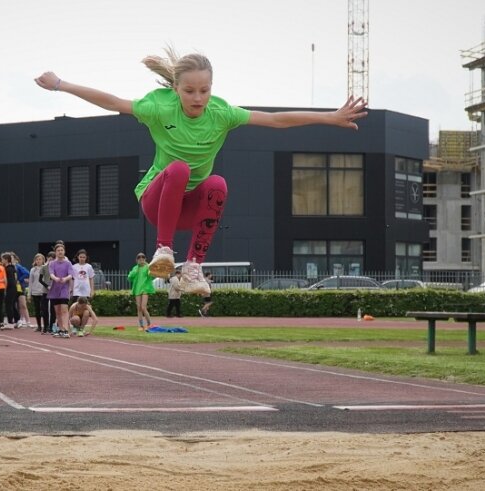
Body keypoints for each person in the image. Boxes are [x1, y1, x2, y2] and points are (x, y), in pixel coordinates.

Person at [35, 48, 366, 296]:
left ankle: (193, 266)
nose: (198, 98)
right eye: (189, 91)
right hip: (158, 201)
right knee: (178, 168)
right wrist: (60, 84)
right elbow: (112, 101)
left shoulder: (222, 113)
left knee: (217, 182)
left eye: (204, 91)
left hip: (191, 209)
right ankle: (163, 251)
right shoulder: (158, 107)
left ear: (212, 87)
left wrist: (330, 117)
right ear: (176, 88)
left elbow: (276, 120)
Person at [48, 243, 73, 338]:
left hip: (64, 289)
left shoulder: (68, 263)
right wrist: (56, 279)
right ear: (55, 252)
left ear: (64, 251)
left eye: (62, 250)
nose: (60, 252)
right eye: (58, 250)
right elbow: (51, 274)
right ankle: (61, 329)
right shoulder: (52, 263)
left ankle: (66, 330)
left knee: (64, 309)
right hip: (55, 289)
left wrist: (65, 279)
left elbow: (71, 274)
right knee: (57, 311)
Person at [128, 253, 155, 330]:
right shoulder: (135, 268)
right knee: (139, 308)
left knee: (143, 307)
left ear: (145, 259)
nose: (141, 259)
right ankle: (141, 325)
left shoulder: (147, 267)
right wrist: (135, 270)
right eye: (139, 258)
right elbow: (130, 277)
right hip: (137, 289)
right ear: (137, 260)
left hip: (145, 289)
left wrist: (148, 265)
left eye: (143, 258)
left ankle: (149, 324)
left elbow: (151, 275)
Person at [29, 253, 49, 333]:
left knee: (44, 309)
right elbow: (31, 281)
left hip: (43, 292)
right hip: (35, 292)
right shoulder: (33, 270)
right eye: (37, 259)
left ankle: (46, 326)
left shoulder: (45, 268)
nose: (38, 261)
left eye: (40, 259)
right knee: (37, 310)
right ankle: (39, 326)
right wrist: (29, 293)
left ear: (43, 260)